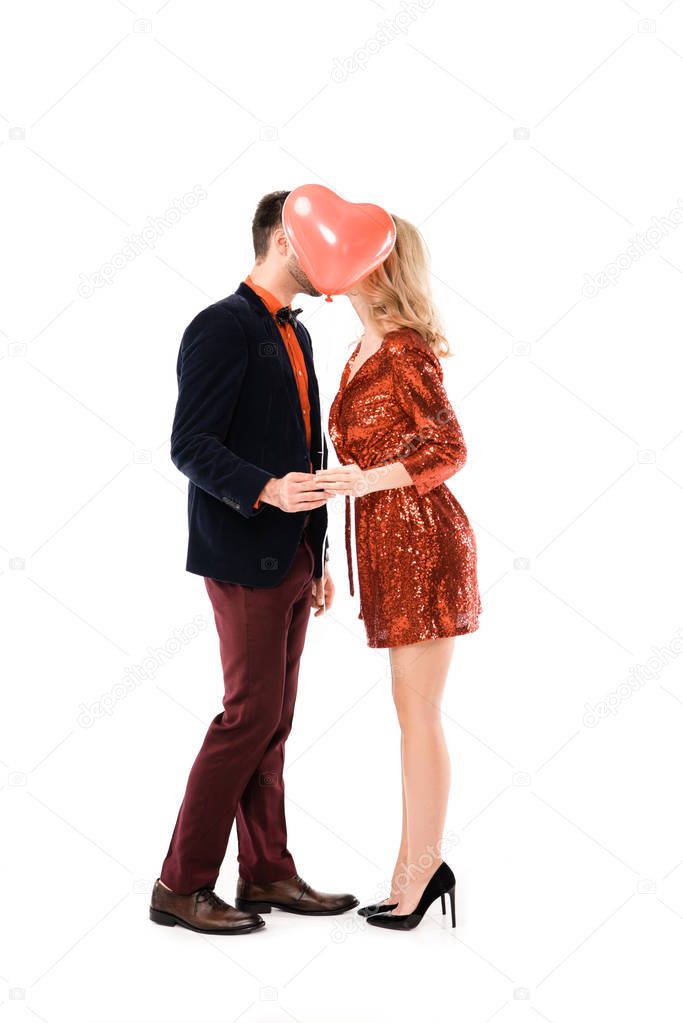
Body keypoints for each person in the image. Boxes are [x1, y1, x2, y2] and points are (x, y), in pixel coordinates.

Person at [149, 191, 358, 935]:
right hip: (242, 550)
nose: (329, 256)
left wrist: (320, 552)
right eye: (317, 241)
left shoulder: (296, 336)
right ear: (279, 238)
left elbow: (308, 450)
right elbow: (189, 444)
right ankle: (181, 882)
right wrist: (265, 490)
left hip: (294, 554)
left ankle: (266, 871)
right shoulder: (221, 325)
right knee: (249, 716)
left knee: (274, 720)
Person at [317, 215, 482, 931]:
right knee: (406, 710)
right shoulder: (357, 347)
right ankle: (414, 866)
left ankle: (416, 872)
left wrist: (366, 480)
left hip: (423, 539)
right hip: (383, 541)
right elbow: (348, 469)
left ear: (382, 267)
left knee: (416, 712)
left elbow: (449, 449)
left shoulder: (406, 350)